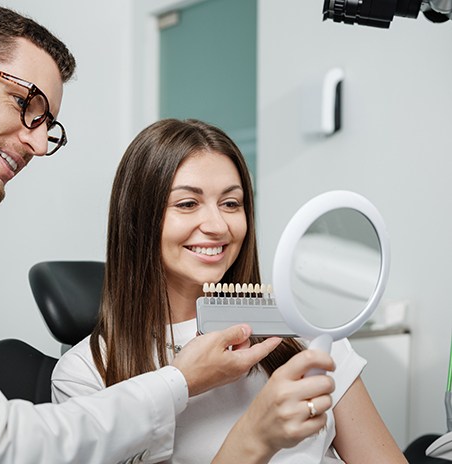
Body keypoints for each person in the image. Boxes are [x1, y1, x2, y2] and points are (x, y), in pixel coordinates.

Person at [0, 3, 285, 463]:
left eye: (232, 203)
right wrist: (187, 387)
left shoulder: (288, 333)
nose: (36, 142)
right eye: (25, 103)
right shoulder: (86, 371)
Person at [52, 118, 407, 463]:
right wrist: (255, 437)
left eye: (231, 203)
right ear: (137, 219)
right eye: (187, 204)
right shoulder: (85, 375)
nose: (218, 225)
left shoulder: (306, 333)